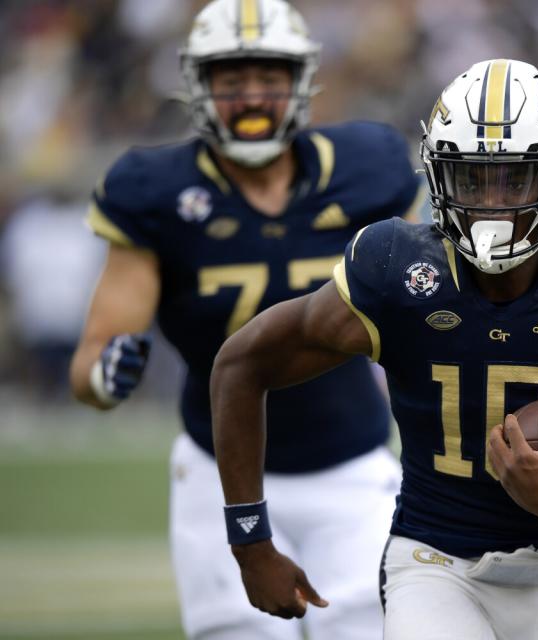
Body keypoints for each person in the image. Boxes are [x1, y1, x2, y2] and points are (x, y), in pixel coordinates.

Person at [210, 59, 538, 640]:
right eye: (472, 177)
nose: (493, 203)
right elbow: (240, 363)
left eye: (516, 178)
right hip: (434, 563)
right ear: (437, 174)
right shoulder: (396, 271)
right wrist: (250, 541)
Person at [69, 1, 421, 638]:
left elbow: (425, 297)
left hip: (350, 462)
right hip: (216, 469)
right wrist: (105, 377)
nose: (251, 97)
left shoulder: (367, 169)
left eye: (268, 79)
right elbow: (94, 357)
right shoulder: (157, 190)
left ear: (301, 82)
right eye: (232, 82)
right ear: (200, 87)